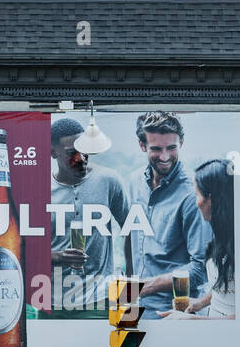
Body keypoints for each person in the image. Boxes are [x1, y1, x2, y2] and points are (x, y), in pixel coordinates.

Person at [125, 111, 210, 317]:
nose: (164, 157)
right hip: (132, 307)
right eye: (156, 149)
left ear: (181, 143)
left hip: (175, 312)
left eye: (171, 148)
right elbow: (130, 242)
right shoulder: (133, 182)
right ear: (142, 145)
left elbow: (201, 270)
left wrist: (143, 287)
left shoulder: (192, 194)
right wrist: (127, 294)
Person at [48, 117, 128, 316]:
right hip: (51, 301)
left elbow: (133, 232)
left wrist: (130, 293)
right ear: (52, 153)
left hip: (100, 299)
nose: (81, 157)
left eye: (83, 149)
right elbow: (24, 249)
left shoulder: (109, 180)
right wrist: (58, 256)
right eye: (70, 153)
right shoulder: (39, 190)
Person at [161, 158, 236, 319]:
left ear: (210, 199)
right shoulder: (219, 237)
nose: (196, 203)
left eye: (197, 195)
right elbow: (226, 286)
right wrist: (200, 303)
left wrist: (195, 319)